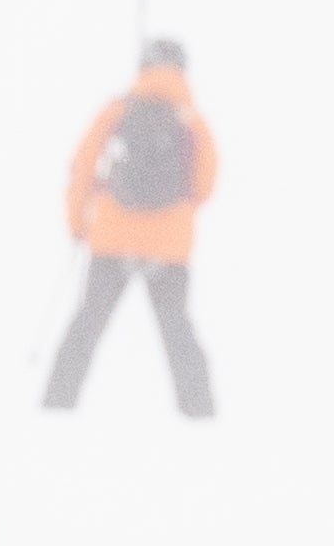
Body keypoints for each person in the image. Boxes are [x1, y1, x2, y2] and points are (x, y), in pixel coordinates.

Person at [43, 39, 218, 418]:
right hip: (169, 246)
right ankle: (201, 413)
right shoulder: (191, 118)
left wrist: (78, 225)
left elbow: (84, 164)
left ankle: (55, 406)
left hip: (111, 237)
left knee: (86, 326)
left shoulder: (118, 109)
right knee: (178, 333)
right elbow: (204, 184)